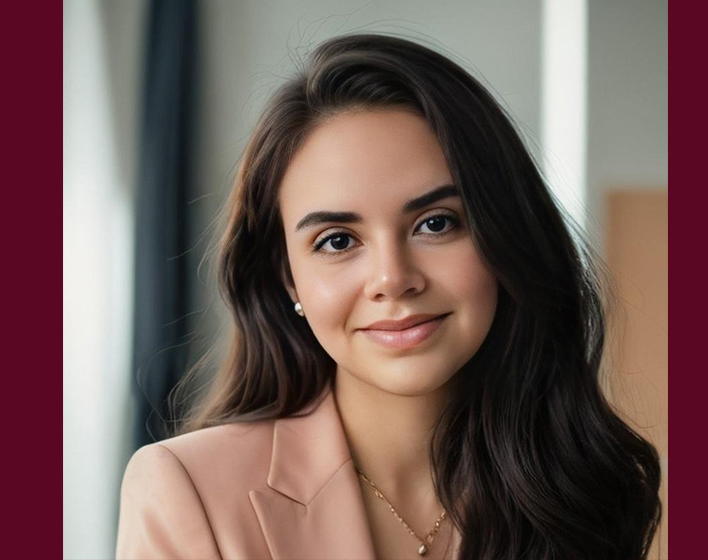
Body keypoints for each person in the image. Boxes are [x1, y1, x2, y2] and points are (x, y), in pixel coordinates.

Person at [115, 34, 662, 560]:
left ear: (506, 236)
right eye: (337, 240)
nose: (392, 278)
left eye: (436, 223)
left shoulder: (595, 488)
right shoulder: (189, 490)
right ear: (289, 280)